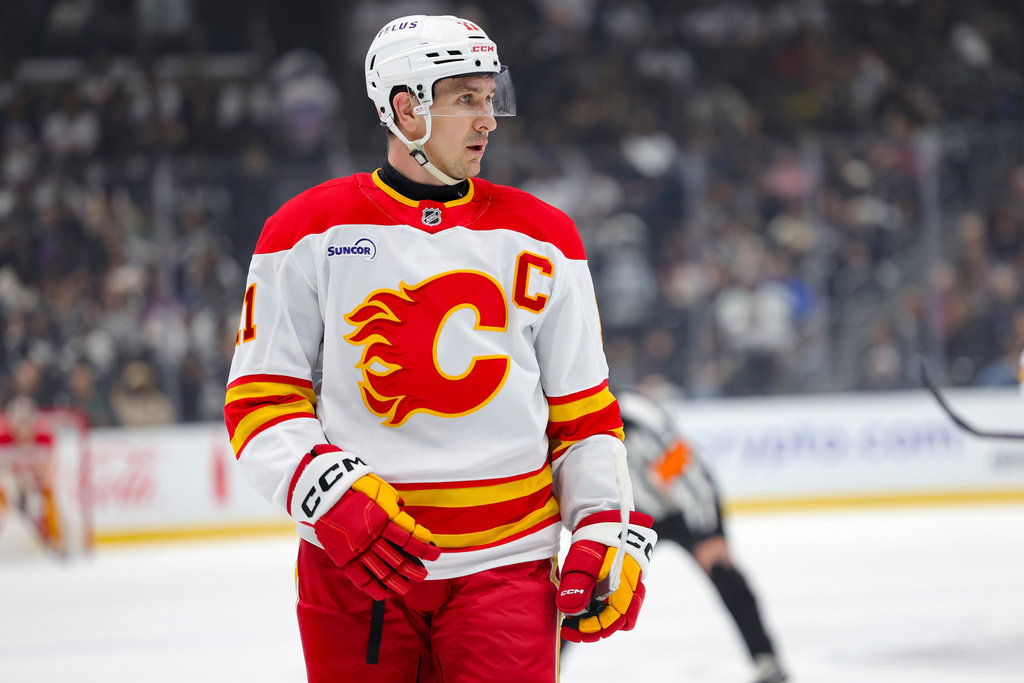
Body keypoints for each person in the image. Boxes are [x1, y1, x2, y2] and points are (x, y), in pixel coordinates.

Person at [224, 14, 656, 682]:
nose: (488, 120)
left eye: (490, 98)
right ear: (405, 107)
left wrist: (602, 523)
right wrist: (327, 494)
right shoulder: (306, 229)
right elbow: (259, 398)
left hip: (508, 566)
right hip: (355, 569)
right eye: (466, 99)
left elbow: (585, 415)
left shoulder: (546, 235)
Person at [616, 388, 788, 683]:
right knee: (588, 583)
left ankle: (765, 658)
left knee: (725, 573)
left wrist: (709, 530)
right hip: (635, 513)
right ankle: (548, 664)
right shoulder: (574, 410)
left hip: (684, 510)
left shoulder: (635, 414)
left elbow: (686, 467)